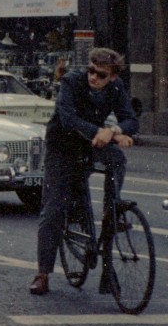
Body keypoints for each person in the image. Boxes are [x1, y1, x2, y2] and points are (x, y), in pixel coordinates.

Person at [30, 47, 138, 296]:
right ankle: (42, 274)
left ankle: (113, 209)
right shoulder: (71, 81)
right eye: (91, 70)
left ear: (112, 76)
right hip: (62, 146)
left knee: (117, 159)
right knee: (54, 209)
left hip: (91, 143)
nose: (93, 77)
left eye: (101, 74)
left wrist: (114, 130)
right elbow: (68, 119)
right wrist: (102, 132)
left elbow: (131, 119)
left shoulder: (116, 87)